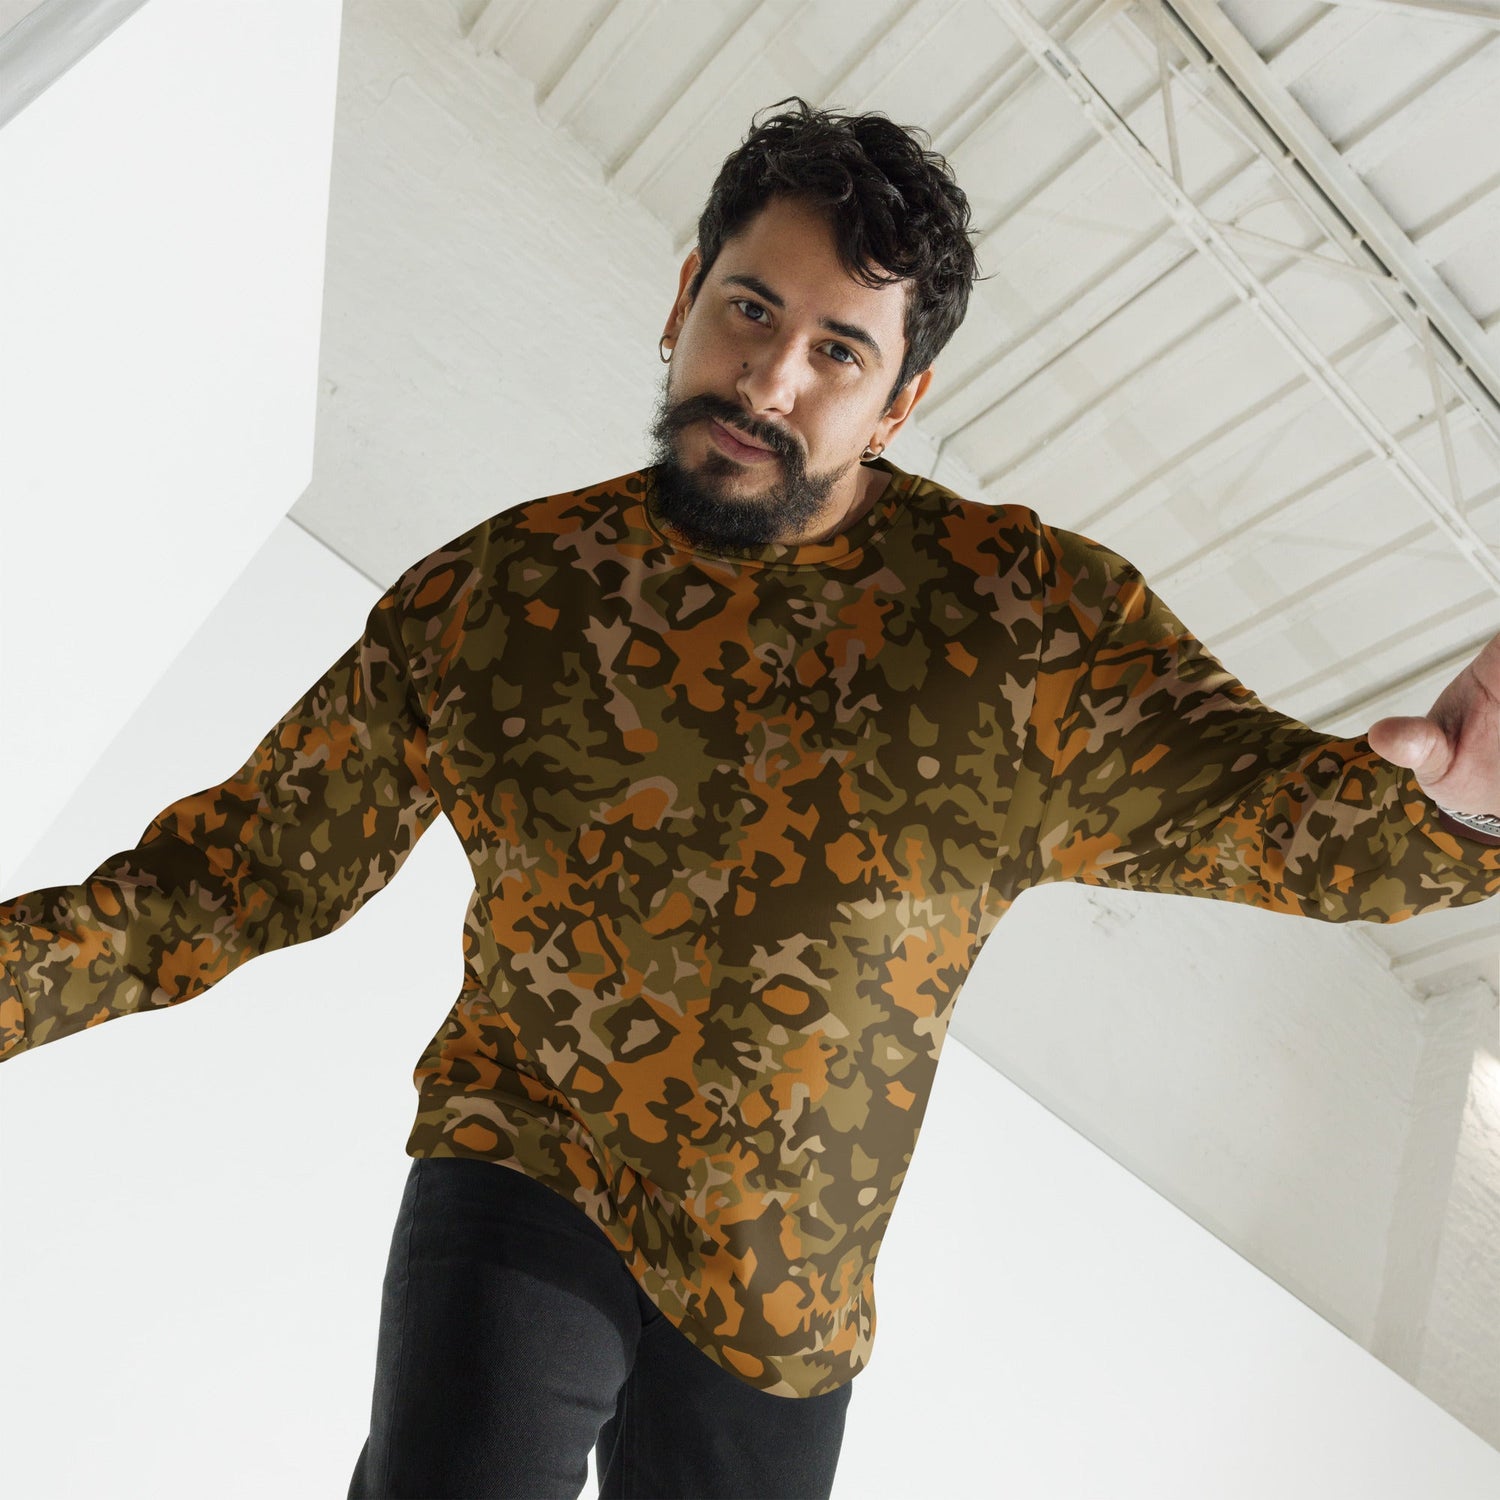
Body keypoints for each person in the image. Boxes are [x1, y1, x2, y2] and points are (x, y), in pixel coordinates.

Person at [2, 96, 1498, 1500]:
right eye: (750, 311)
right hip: (531, 1162)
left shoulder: (1020, 625)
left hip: (787, 1298)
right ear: (684, 301)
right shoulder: (500, 597)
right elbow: (233, 877)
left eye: (839, 352)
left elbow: (1268, 818)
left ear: (900, 403)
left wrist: (1466, 809)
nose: (770, 383)